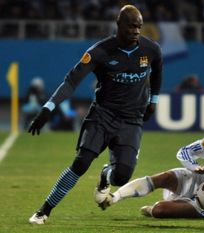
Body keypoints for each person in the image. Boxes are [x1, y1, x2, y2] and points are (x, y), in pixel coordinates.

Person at [28, 4, 163, 224]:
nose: (136, 32)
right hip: (102, 115)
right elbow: (71, 81)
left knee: (122, 177)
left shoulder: (151, 50)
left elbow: (158, 72)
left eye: (139, 27)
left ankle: (105, 176)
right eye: (131, 27)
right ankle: (44, 211)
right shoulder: (99, 52)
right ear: (118, 25)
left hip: (131, 120)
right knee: (81, 163)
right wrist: (48, 108)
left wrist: (153, 100)